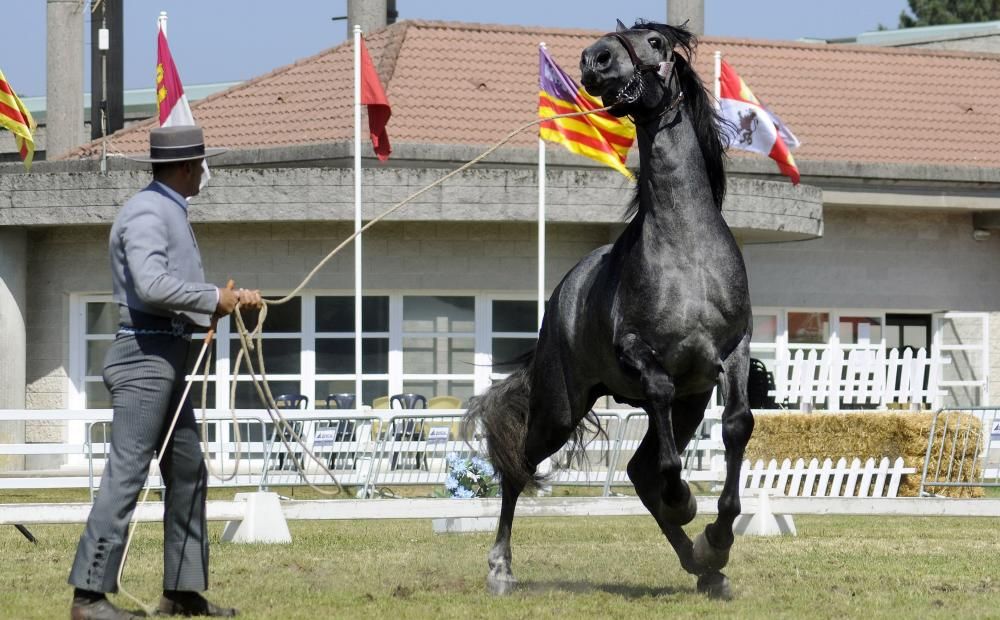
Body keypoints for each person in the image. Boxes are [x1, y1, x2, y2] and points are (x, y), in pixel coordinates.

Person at [68, 125, 262, 619]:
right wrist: (211, 297)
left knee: (190, 469)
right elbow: (152, 285)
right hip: (145, 360)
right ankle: (88, 597)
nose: (204, 173)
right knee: (127, 472)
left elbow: (171, 290)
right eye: (200, 165)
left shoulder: (166, 209)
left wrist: (222, 304)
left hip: (165, 356)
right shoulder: (149, 213)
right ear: (183, 167)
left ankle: (181, 591)